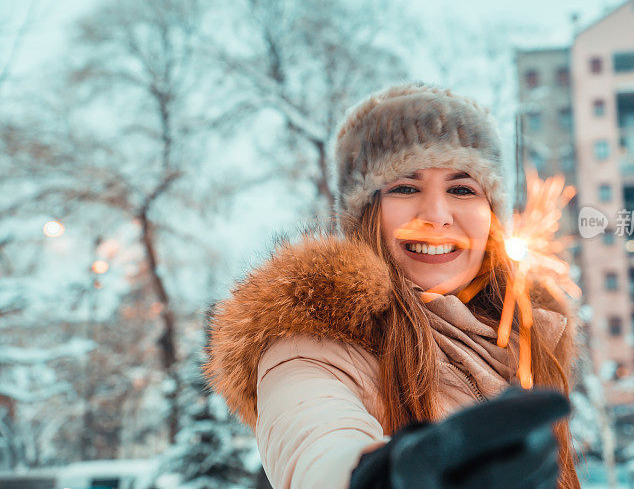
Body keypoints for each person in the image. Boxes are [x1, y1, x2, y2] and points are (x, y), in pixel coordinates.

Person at [204, 82, 581, 488]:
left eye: (462, 189)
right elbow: (315, 446)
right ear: (365, 213)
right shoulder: (310, 347)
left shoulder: (527, 346)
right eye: (404, 187)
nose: (437, 215)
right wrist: (386, 476)